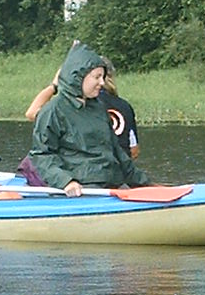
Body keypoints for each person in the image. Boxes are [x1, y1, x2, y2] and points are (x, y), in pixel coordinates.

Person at [26, 42, 146, 194]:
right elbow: (42, 155)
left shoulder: (98, 108)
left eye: (103, 77)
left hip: (110, 183)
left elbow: (118, 154)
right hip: (81, 188)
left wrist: (147, 184)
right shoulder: (53, 111)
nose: (102, 83)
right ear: (78, 77)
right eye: (97, 77)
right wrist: (66, 182)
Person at [26, 50, 140, 157]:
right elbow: (134, 150)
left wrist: (55, 85)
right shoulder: (124, 106)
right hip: (119, 168)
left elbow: (31, 113)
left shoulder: (77, 105)